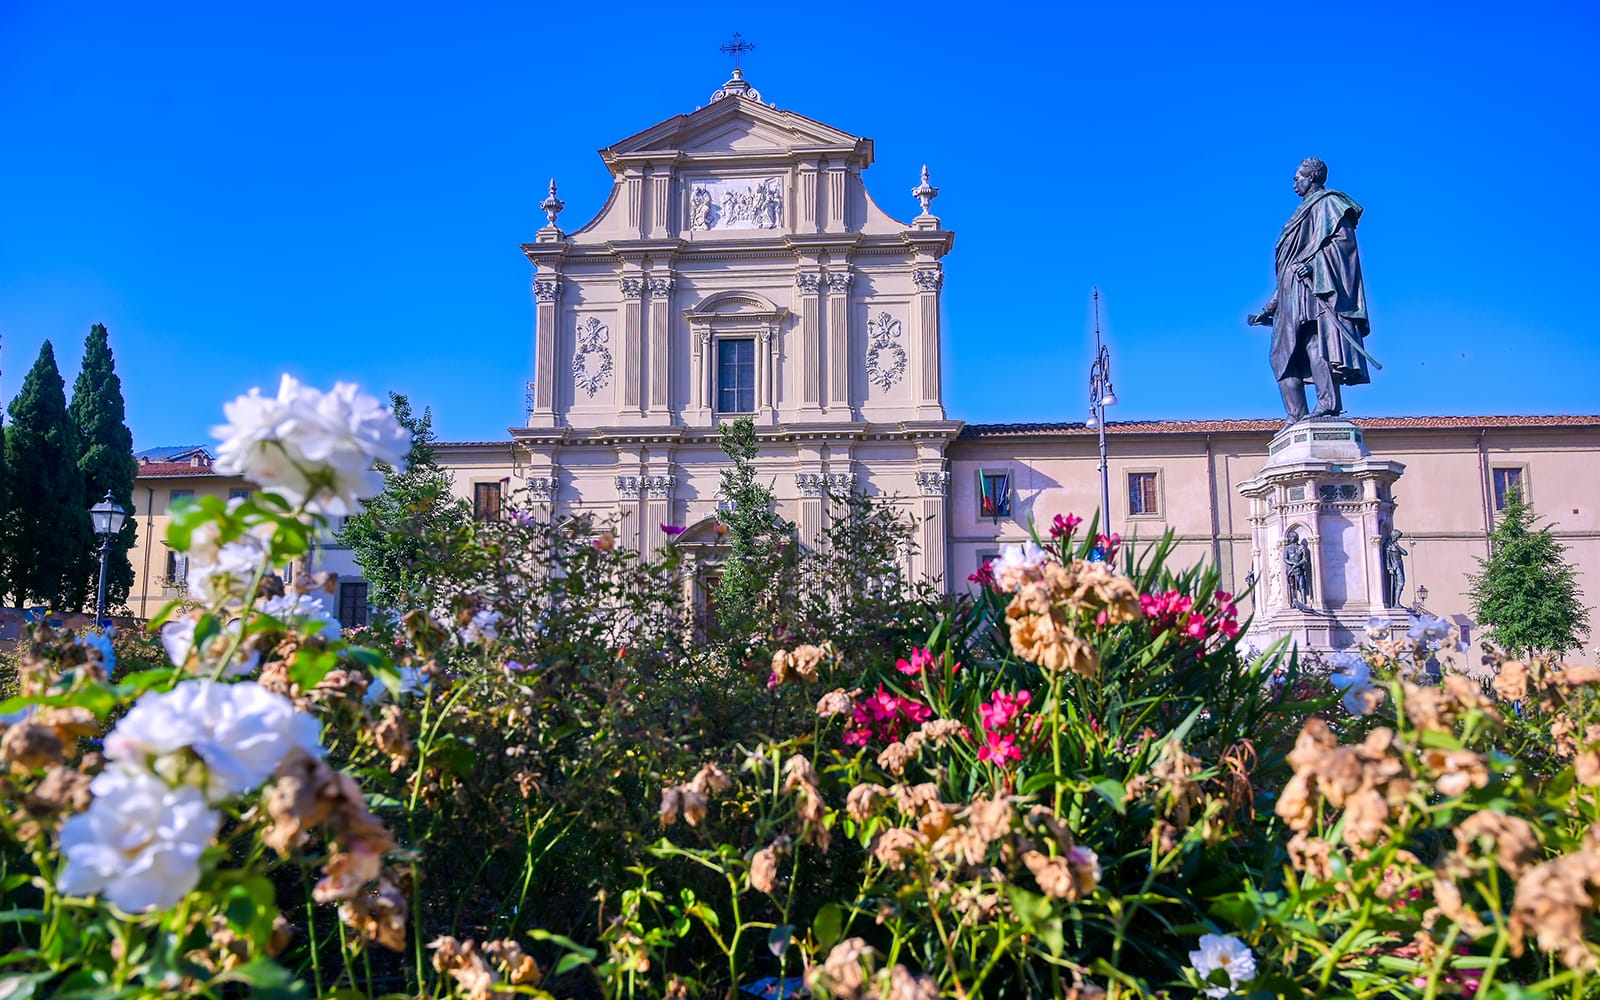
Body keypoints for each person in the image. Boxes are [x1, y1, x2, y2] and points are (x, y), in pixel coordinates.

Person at [1248, 157, 1372, 426]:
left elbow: (1345, 246)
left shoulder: (1330, 204)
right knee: (1281, 356)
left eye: (1298, 177)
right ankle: (1296, 414)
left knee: (1314, 343)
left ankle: (1328, 402)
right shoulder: (1301, 211)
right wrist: (1270, 307)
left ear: (1312, 176)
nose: (1294, 182)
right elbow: (1285, 270)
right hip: (1290, 291)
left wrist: (1314, 266)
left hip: (1313, 287)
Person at [1283, 528, 1312, 606]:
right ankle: (1293, 602)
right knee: (1292, 586)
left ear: (1296, 537)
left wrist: (1299, 564)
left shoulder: (1301, 547)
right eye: (1290, 537)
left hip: (1299, 569)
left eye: (1292, 537)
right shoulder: (1287, 548)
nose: (1290, 538)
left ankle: (1304, 602)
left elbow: (1305, 558)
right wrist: (1292, 563)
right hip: (1291, 570)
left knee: (1302, 584)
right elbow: (1285, 558)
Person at [1382, 528, 1408, 608]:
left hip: (1399, 566)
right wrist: (1389, 568)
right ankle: (1396, 602)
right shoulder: (1388, 546)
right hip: (1395, 567)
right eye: (1397, 537)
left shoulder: (1396, 545)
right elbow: (1386, 558)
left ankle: (1397, 602)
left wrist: (1398, 546)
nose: (1398, 539)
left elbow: (1405, 553)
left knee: (1401, 583)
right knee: (1400, 583)